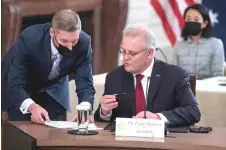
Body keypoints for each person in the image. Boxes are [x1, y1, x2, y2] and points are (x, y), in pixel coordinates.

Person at [94, 26, 201, 127]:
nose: (125, 58)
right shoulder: (114, 77)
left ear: (150, 53)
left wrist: (158, 118)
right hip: (125, 141)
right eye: (123, 51)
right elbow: (102, 117)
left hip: (163, 141)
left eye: (132, 53)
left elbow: (193, 111)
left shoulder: (174, 75)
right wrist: (104, 111)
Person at [1, 9, 95, 124]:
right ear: (52, 32)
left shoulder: (84, 43)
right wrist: (31, 106)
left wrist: (85, 108)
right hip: (21, 86)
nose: (70, 47)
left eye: (74, 41)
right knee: (22, 132)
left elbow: (85, 81)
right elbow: (15, 82)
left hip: (54, 89)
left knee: (53, 134)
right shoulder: (29, 39)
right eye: (64, 41)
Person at [172, 4, 225, 80]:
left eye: (196, 19)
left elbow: (217, 75)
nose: (191, 22)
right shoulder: (178, 45)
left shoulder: (216, 44)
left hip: (207, 89)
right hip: (183, 89)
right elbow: (174, 73)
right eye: (188, 19)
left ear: (204, 23)